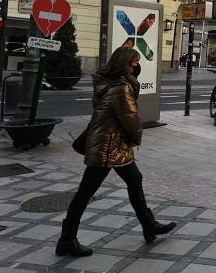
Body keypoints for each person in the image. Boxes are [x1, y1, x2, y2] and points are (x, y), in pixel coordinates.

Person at [56, 46, 176, 257]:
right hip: (107, 147)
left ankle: (149, 225)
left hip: (111, 144)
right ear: (123, 65)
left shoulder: (107, 82)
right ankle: (66, 240)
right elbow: (131, 120)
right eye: (134, 63)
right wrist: (136, 137)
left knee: (135, 180)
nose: (137, 66)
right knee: (85, 193)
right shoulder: (121, 88)